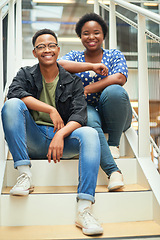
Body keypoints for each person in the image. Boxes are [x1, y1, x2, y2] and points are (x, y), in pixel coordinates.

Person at [1, 29, 104, 236]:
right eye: (41, 46)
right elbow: (15, 93)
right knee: (11, 105)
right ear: (34, 52)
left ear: (58, 49)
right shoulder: (25, 74)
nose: (46, 50)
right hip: (34, 137)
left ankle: (84, 209)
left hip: (61, 143)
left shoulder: (73, 81)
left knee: (90, 133)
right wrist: (50, 109)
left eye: (51, 46)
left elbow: (79, 116)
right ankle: (24, 175)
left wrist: (60, 134)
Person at [58, 12, 132, 191]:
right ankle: (114, 173)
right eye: (86, 33)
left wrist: (87, 89)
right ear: (79, 36)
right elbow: (58, 64)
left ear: (104, 35)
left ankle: (113, 143)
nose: (91, 37)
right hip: (88, 109)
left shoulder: (114, 55)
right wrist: (91, 66)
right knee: (85, 117)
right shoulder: (75, 56)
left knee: (114, 91)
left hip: (116, 113)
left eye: (96, 32)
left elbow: (120, 78)